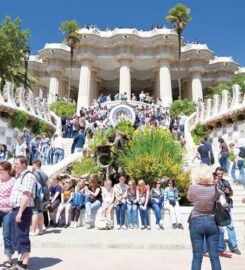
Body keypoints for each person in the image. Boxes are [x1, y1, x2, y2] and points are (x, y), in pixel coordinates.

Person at [187, 165, 224, 270]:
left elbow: (190, 198)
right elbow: (222, 195)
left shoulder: (193, 187)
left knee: (197, 257)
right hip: (212, 220)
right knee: (214, 257)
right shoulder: (214, 188)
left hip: (196, 220)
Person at [9, 156, 36, 270]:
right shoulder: (20, 176)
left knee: (22, 236)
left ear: (24, 164)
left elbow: (26, 195)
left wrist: (20, 212)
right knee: (17, 236)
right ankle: (20, 262)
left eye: (16, 163)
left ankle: (24, 264)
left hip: (23, 210)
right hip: (17, 209)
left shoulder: (28, 176)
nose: (14, 165)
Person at [215, 167, 241, 255]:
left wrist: (228, 191)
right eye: (218, 173)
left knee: (230, 226)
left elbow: (231, 193)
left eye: (221, 173)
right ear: (216, 173)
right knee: (220, 228)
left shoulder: (226, 182)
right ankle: (219, 248)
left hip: (226, 207)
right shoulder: (213, 182)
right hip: (217, 207)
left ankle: (234, 247)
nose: (220, 175)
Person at [0, 161, 15, 268]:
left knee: (6, 234)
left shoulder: (13, 181)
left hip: (8, 211)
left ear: (8, 171)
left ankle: (8, 257)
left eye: (1, 170)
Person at [30, 160, 49, 236]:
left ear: (35, 165)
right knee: (41, 212)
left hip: (36, 195)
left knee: (34, 212)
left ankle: (33, 230)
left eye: (33, 165)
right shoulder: (45, 174)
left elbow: (34, 186)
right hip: (43, 195)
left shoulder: (34, 174)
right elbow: (47, 186)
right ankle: (41, 230)